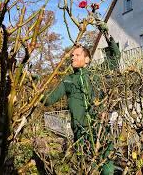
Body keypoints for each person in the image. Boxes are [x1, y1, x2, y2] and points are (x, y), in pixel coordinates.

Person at [43, 44, 119, 174]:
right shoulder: (68, 80)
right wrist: (38, 86)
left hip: (100, 128)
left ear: (87, 59)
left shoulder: (96, 74)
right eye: (72, 55)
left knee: (107, 168)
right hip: (80, 133)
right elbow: (48, 100)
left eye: (77, 55)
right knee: (88, 168)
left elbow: (115, 58)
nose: (73, 58)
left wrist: (107, 35)